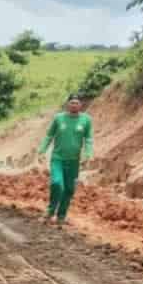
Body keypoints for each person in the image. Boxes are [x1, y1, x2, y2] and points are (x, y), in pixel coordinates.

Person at [37, 95, 93, 226]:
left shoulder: (86, 120)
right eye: (72, 102)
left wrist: (88, 154)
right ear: (68, 104)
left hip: (74, 161)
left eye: (77, 103)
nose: (74, 105)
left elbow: (88, 138)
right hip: (58, 159)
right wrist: (41, 151)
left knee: (69, 189)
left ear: (81, 105)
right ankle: (50, 212)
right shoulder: (59, 118)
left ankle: (61, 216)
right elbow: (49, 135)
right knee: (57, 183)